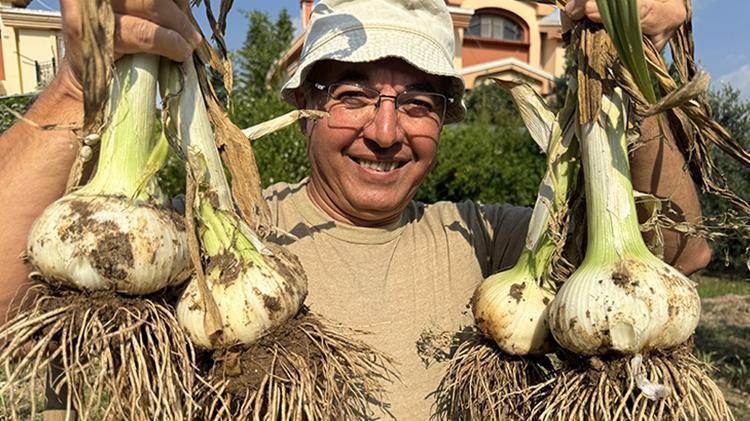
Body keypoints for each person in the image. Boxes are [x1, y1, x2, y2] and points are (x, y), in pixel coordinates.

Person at [0, 0, 707, 419]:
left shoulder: (489, 240)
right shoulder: (227, 239)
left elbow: (672, 260)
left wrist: (634, 68)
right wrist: (80, 74)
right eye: (352, 94)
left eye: (419, 102)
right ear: (304, 108)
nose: (386, 128)